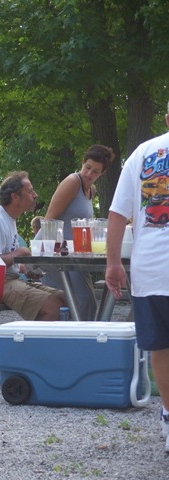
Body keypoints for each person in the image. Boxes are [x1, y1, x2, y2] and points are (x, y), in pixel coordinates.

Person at [105, 103, 169, 453]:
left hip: (151, 269)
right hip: (152, 269)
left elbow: (117, 213)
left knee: (160, 346)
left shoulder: (142, 153)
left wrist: (114, 263)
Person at [0, 171, 66, 320]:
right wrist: (22, 252)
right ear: (15, 197)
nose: (35, 195)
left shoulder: (9, 218)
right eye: (30, 192)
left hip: (10, 280)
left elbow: (6, 260)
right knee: (53, 306)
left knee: (63, 298)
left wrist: (24, 269)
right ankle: (29, 336)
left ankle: (40, 333)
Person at [37, 145, 114, 320]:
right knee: (69, 304)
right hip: (55, 251)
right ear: (82, 163)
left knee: (86, 302)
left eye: (95, 171)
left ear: (102, 173)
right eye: (87, 167)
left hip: (76, 253)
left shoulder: (92, 191)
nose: (89, 174)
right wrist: (44, 256)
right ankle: (71, 336)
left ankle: (83, 336)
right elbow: (49, 220)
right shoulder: (72, 182)